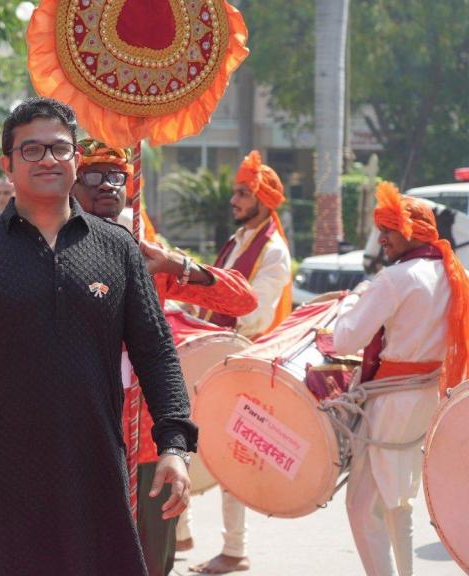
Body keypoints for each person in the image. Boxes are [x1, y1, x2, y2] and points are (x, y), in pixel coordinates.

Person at [0, 98, 196, 575]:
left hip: (96, 475)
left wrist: (174, 446)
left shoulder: (117, 248)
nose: (47, 159)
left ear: (75, 160)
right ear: (7, 163)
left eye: (58, 148)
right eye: (31, 150)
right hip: (0, 483)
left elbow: (156, 352)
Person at [73, 139, 258, 576]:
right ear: (71, 185)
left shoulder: (148, 251)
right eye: (93, 176)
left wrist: (178, 266)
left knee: (151, 560)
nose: (107, 186)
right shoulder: (50, 246)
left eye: (117, 177)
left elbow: (243, 301)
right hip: (78, 435)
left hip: (147, 438)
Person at [333, 182, 469, 576]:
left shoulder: (395, 279)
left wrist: (357, 297)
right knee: (397, 500)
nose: (381, 239)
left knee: (362, 507)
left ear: (412, 232)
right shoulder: (453, 274)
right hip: (427, 398)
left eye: (388, 229)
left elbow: (345, 338)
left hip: (390, 403)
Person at [189, 151, 293, 575]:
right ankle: (181, 532)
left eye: (242, 193)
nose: (233, 200)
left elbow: (257, 314)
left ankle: (235, 549)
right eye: (234, 191)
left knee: (233, 453)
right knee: (187, 440)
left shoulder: (275, 252)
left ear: (263, 200)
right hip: (217, 351)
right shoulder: (236, 241)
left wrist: (213, 303)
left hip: (244, 357)